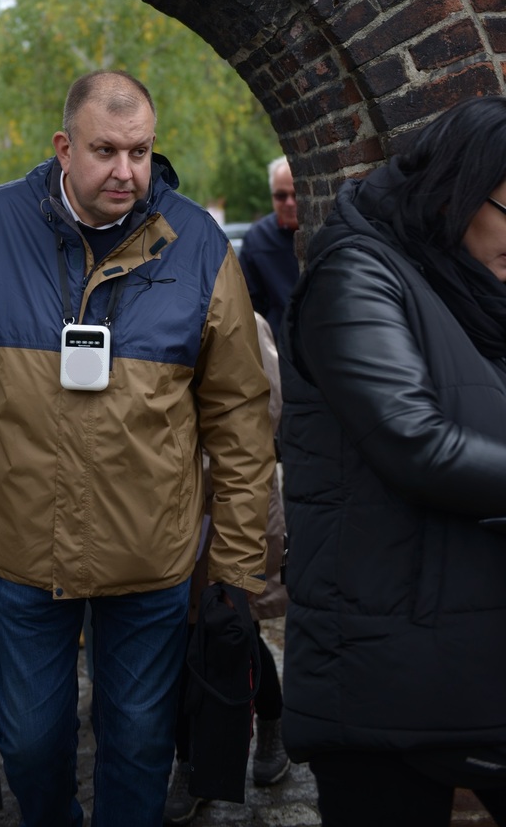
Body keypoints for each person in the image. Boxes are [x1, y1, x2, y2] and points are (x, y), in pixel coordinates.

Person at [0, 69, 275, 827]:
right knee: (26, 740)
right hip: (22, 544)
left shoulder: (200, 244)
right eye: (107, 150)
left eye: (142, 151)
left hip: (150, 552)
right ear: (64, 145)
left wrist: (239, 558)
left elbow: (240, 416)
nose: (127, 171)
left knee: (141, 740)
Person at [278, 95, 506, 827]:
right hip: (381, 662)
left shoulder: (475, 281)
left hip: (465, 650)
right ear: (459, 192)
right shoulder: (355, 274)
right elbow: (417, 442)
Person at [163, 313, 289, 825]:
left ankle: (271, 728)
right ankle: (191, 762)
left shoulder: (242, 319)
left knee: (234, 627)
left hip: (232, 501)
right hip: (169, 507)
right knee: (180, 640)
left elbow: (263, 410)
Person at [239, 157, 299, 339]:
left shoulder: (326, 231)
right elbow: (249, 306)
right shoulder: (257, 240)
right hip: (278, 346)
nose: (289, 203)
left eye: (296, 194)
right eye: (281, 196)